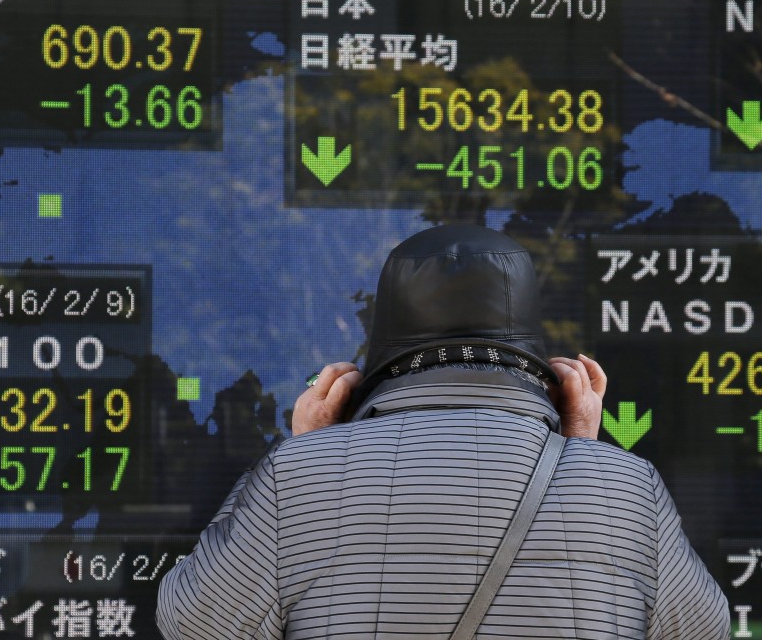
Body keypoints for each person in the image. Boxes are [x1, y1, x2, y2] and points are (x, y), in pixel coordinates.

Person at [156, 224, 730, 639]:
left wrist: (309, 452)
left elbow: (194, 622)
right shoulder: (627, 489)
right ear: (542, 364)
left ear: (373, 360)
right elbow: (704, 629)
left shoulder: (298, 478)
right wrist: (583, 455)